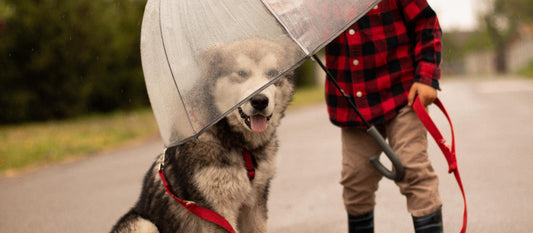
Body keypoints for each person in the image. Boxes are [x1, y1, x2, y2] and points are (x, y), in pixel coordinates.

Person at [324, 0, 443, 232]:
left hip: (402, 94)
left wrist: (427, 77)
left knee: (413, 169)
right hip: (353, 107)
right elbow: (304, 32)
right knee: (355, 179)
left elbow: (426, 24)